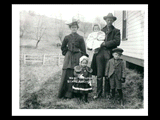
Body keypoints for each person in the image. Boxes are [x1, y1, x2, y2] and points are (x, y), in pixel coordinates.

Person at [92, 13, 121, 99]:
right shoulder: (101, 30)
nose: (109, 21)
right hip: (100, 54)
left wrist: (105, 43)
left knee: (108, 74)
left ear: (113, 21)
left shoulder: (116, 31)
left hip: (109, 54)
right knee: (99, 74)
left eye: (111, 20)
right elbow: (94, 39)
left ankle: (107, 93)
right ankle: (99, 93)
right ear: (105, 20)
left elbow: (117, 42)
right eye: (108, 19)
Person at [58, 19, 87, 99]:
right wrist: (66, 53)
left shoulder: (80, 38)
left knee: (77, 73)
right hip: (69, 56)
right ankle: (66, 94)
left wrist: (82, 56)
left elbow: (83, 49)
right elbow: (63, 47)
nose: (74, 29)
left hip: (77, 56)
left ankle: (76, 93)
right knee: (67, 73)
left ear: (77, 28)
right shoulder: (67, 37)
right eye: (72, 27)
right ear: (70, 28)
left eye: (75, 27)